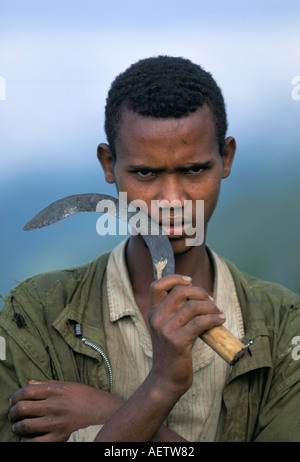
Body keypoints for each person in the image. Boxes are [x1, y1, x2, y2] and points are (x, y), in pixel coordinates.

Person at [1, 56, 300, 442]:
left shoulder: (283, 327)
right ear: (109, 164)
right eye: (146, 173)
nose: (173, 200)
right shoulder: (35, 316)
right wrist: (154, 398)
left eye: (194, 170)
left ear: (226, 158)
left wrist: (131, 405)